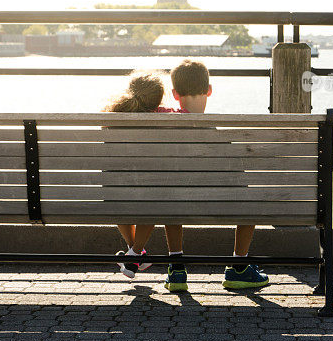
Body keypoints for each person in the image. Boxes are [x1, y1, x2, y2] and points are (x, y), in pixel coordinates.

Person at [163, 59, 269, 292]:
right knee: (249, 198)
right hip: (222, 205)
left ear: (174, 93)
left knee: (169, 194)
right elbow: (241, 182)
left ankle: (177, 267)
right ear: (209, 90)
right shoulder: (221, 138)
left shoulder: (166, 129)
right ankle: (239, 266)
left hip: (175, 204)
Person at [102, 70, 170, 278]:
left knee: (118, 193)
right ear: (158, 100)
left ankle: (134, 253)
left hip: (115, 192)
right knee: (154, 198)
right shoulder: (165, 117)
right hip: (149, 193)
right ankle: (134, 254)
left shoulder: (112, 116)